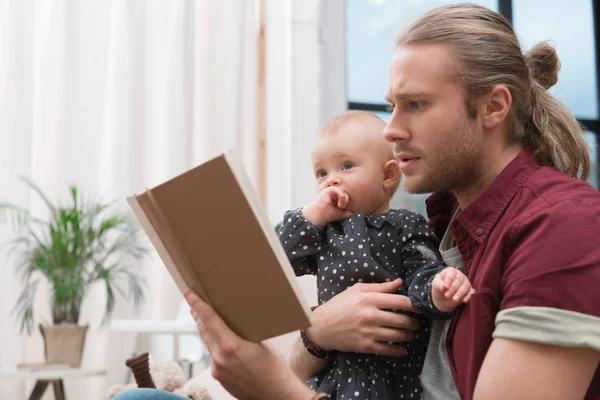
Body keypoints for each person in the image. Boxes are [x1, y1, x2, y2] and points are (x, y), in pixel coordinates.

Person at [123, 3, 600, 400]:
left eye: (415, 104)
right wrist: (318, 333)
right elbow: (308, 362)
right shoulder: (443, 226)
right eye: (392, 105)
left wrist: (275, 391)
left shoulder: (562, 224)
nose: (391, 129)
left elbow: (290, 383)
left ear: (495, 106)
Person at [275, 110, 473, 398]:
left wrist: (439, 291)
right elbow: (277, 260)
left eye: (346, 166)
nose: (331, 180)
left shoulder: (405, 225)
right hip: (338, 373)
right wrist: (314, 213)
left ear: (388, 175)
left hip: (392, 373)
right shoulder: (323, 233)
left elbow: (424, 271)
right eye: (321, 172)